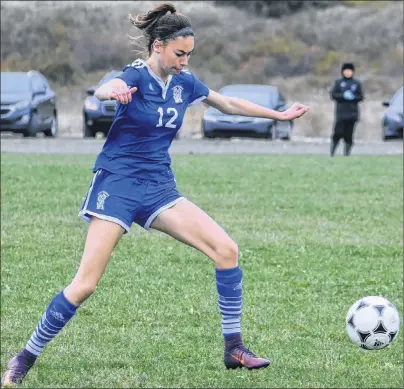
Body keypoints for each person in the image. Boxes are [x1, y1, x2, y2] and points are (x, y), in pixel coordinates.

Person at [1, 3, 309, 386]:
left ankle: (234, 349)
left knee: (226, 251)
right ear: (158, 46)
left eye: (189, 55)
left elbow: (227, 102)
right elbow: (105, 89)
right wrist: (110, 90)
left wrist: (278, 116)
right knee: (85, 284)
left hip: (159, 187)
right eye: (179, 54)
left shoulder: (185, 82)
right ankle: (23, 358)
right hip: (117, 184)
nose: (184, 62)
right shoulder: (134, 76)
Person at [329, 62, 364, 157]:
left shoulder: (356, 83)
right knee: (337, 133)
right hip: (341, 113)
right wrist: (343, 96)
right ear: (342, 71)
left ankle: (346, 154)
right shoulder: (338, 83)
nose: (347, 72)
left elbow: (361, 97)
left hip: (352, 114)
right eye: (346, 71)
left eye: (349, 71)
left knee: (348, 135)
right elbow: (333, 95)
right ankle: (331, 153)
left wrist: (353, 97)